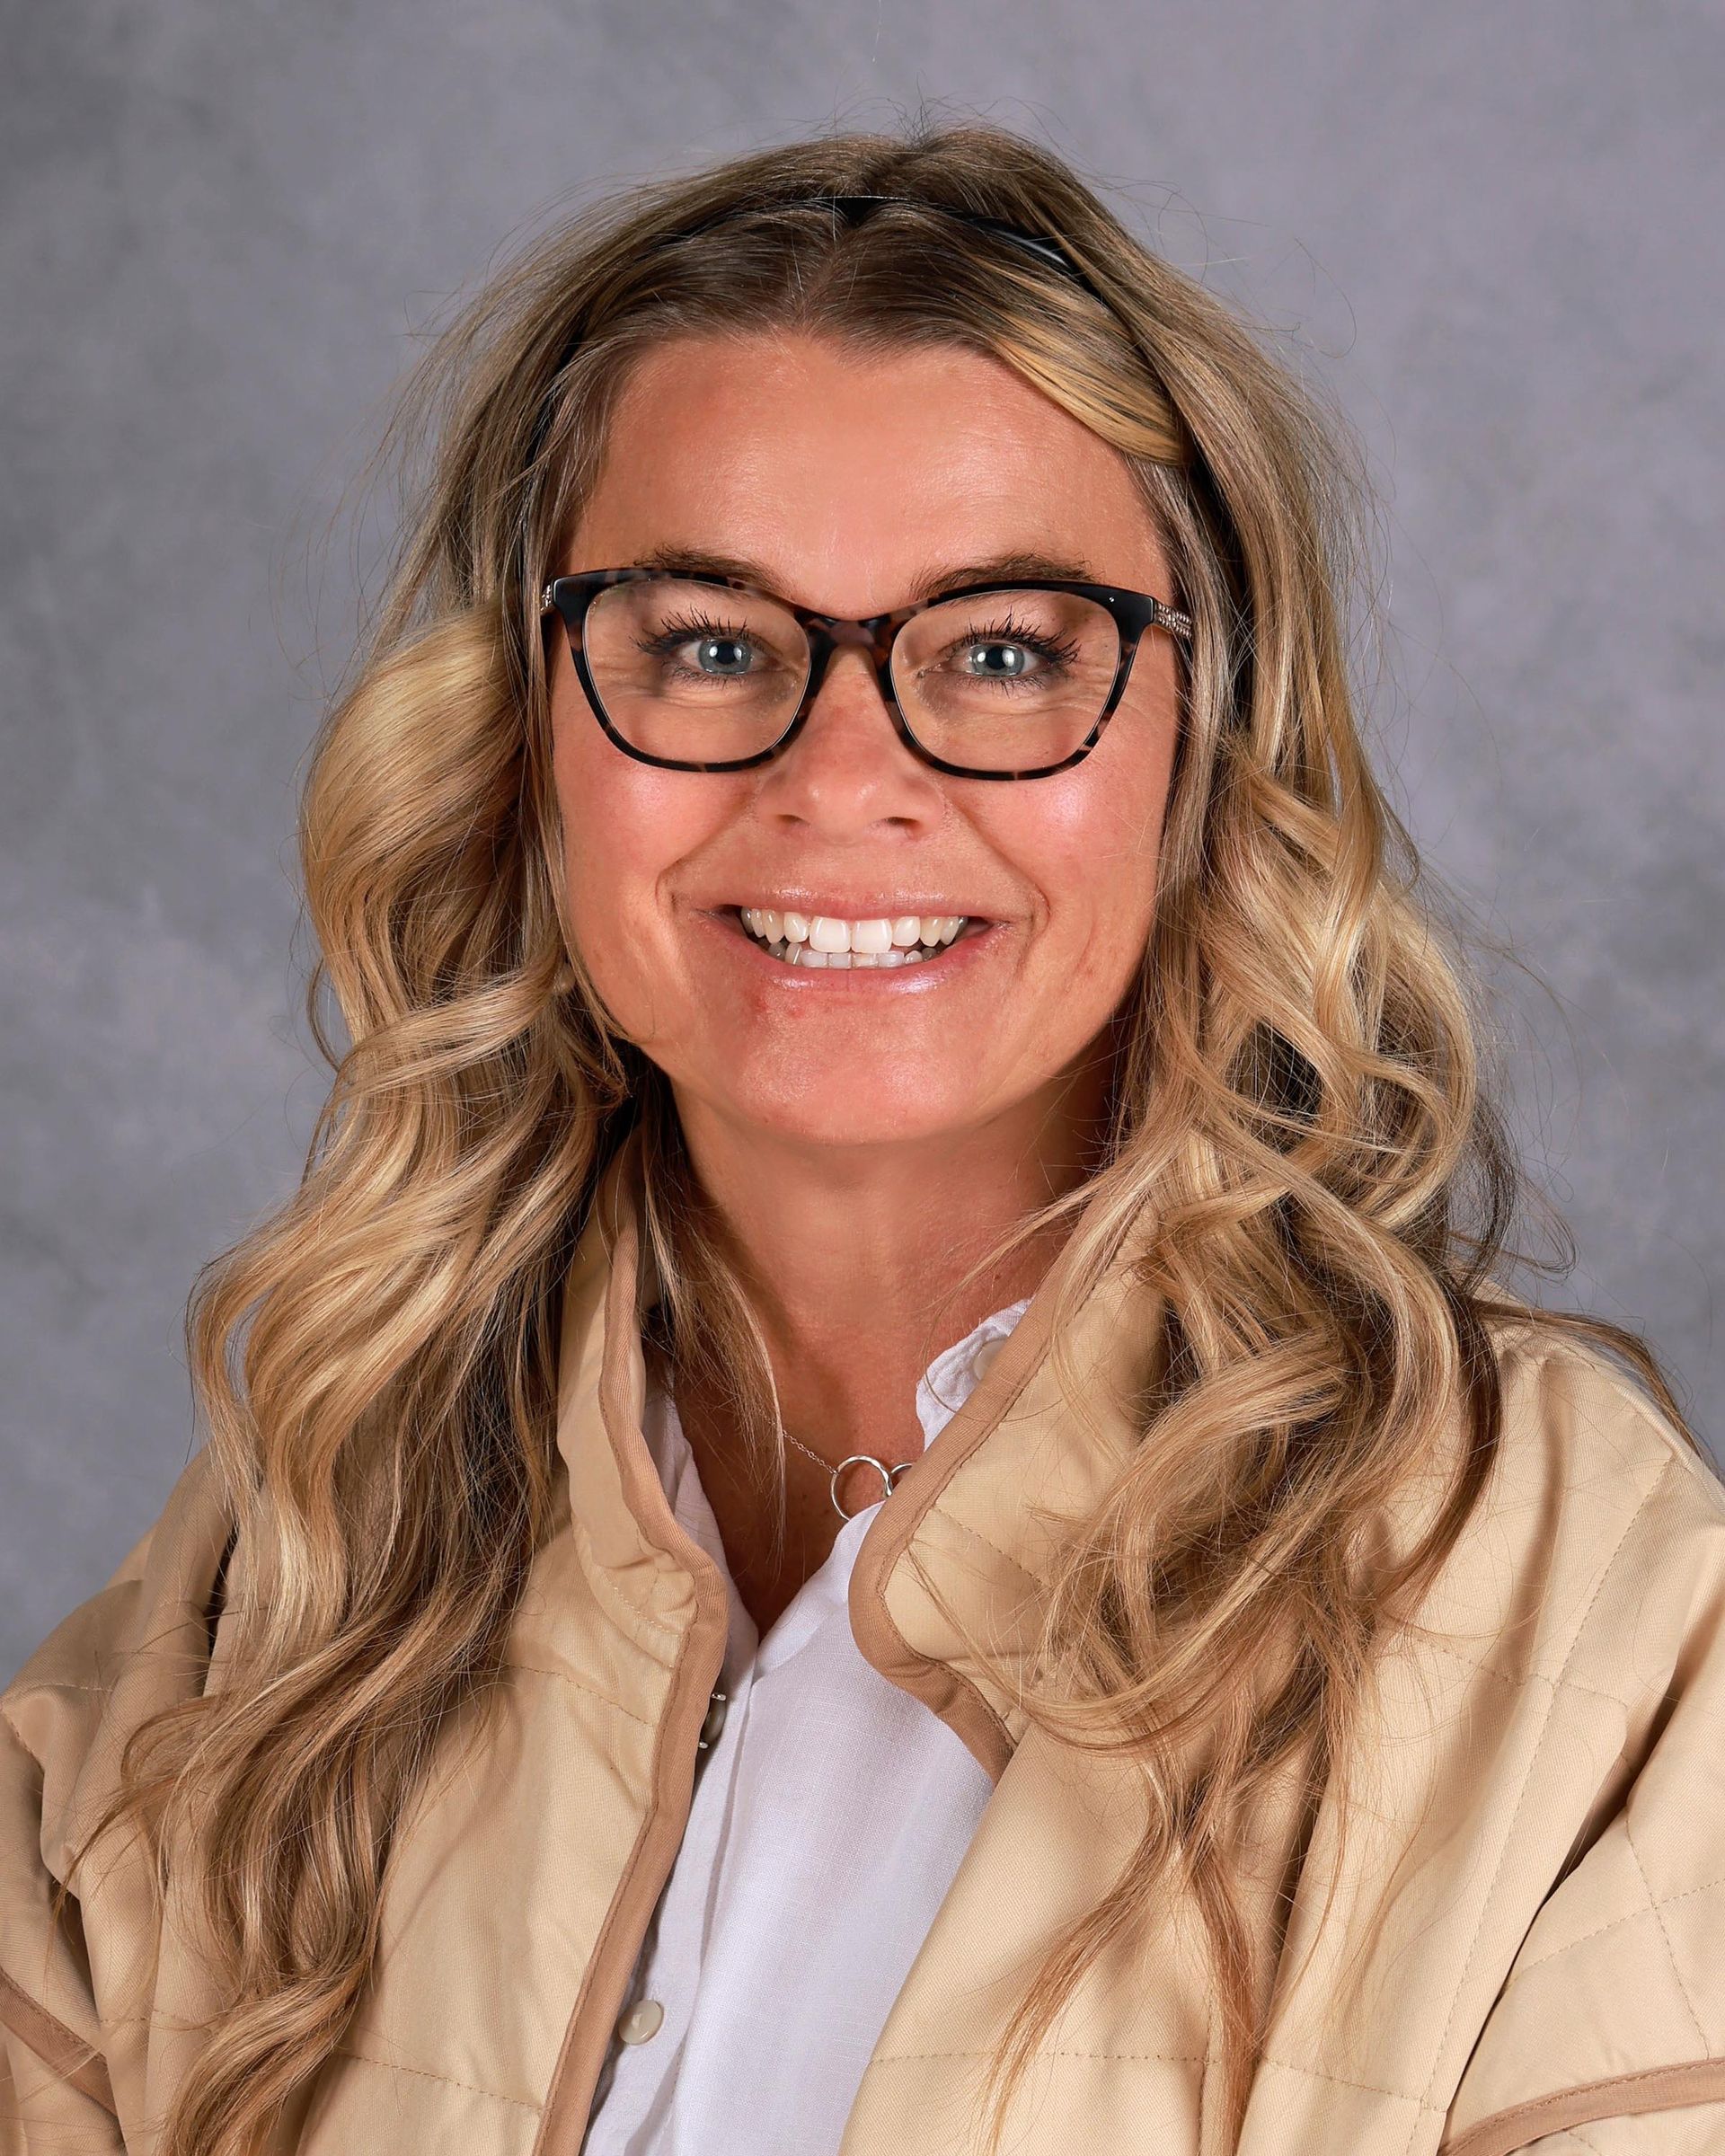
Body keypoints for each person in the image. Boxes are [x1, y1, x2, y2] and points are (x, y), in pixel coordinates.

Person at [3, 123, 1721, 2156]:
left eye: (1004, 653)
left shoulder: (1588, 1620)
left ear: (1201, 753)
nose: (845, 778)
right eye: (707, 643)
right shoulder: (277, 1588)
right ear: (524, 743)